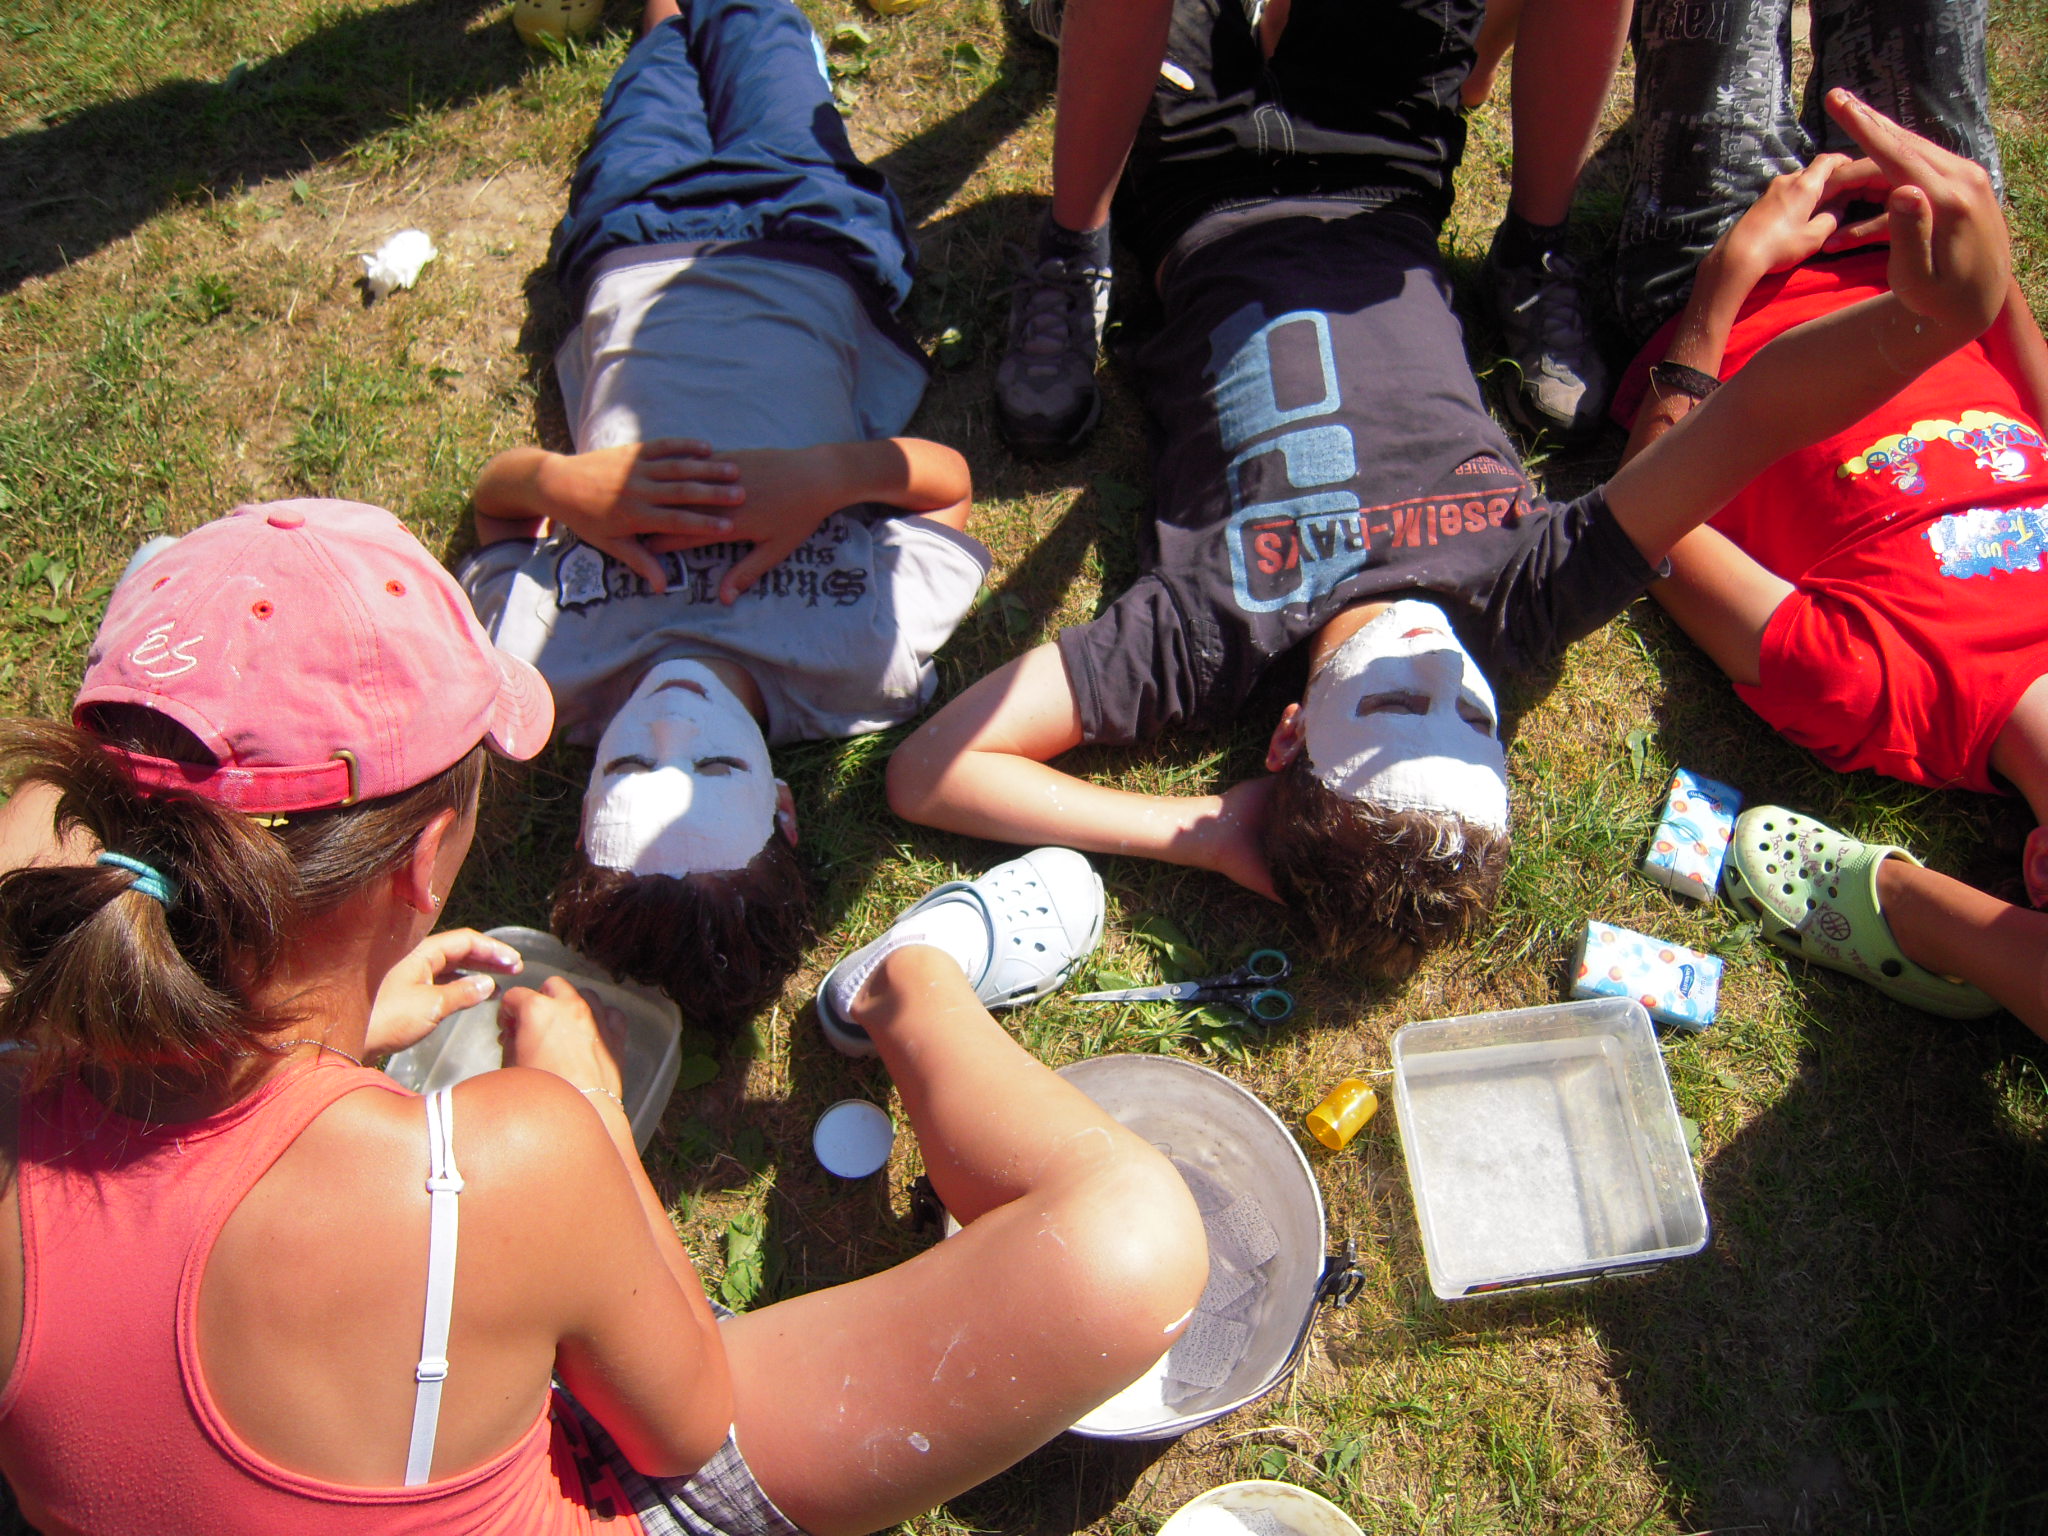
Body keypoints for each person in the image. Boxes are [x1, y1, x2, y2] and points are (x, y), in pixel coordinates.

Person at [0, 498, 1207, 1536]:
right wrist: (577, 1106)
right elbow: (685, 1422)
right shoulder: (508, 1160)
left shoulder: (25, 1041)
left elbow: (43, 818)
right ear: (425, 862)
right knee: (1129, 1246)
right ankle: (910, 980)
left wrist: (327, 1027)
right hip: (585, 1471)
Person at [887, 16, 2017, 978]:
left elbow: (931, 769)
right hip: (1380, 172)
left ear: (1287, 737)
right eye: (1475, 720)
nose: (1438, 672)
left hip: (1193, 191)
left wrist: (1205, 834)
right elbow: (1750, 422)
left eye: (1392, 709)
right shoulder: (1525, 599)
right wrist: (1928, 326)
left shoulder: (1211, 636)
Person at [461, 0, 989, 1033]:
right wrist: (828, 477)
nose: (671, 723)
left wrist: (562, 484)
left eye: (628, 765)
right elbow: (949, 486)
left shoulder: (538, 677)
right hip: (812, 240)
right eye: (712, 767)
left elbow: (494, 505)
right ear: (783, 807)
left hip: (628, 242)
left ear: (583, 801)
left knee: (660, 55)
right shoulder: (861, 665)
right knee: (759, 36)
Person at [1593, 4, 2048, 1034]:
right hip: (1934, 252)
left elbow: (1644, 517)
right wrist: (1986, 265)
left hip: (1732, 273)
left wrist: (1720, 283)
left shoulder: (1883, 697)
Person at [990, 0, 1629, 453]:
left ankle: (1535, 254)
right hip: (1202, 191)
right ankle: (1071, 253)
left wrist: (1479, 50)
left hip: (1378, 163)